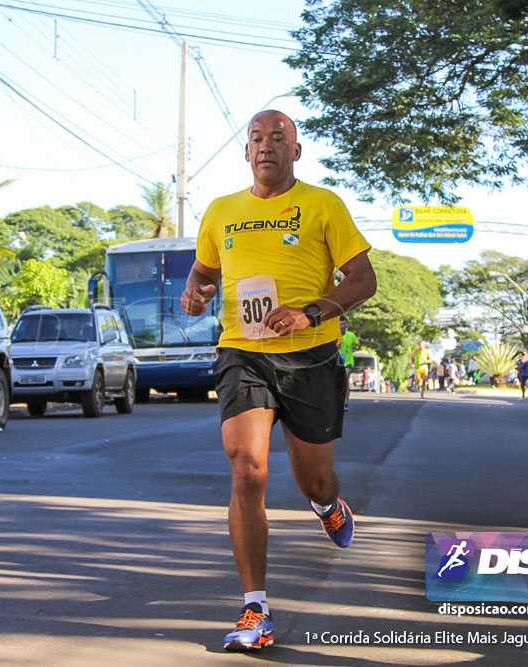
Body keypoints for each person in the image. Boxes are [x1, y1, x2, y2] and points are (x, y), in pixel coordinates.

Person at [180, 109, 377, 653]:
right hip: (242, 353)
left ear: (296, 150)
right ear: (246, 153)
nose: (266, 146)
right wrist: (196, 290)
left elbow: (363, 278)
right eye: (256, 139)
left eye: (278, 138)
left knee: (314, 479)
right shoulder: (220, 212)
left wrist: (312, 312)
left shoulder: (322, 205)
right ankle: (255, 607)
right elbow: (205, 270)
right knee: (248, 468)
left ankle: (327, 505)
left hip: (311, 357)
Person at [338, 315, 359, 411]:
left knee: (345, 379)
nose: (343, 325)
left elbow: (355, 345)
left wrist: (353, 347)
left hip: (348, 361)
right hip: (336, 362)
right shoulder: (335, 334)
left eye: (344, 323)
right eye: (341, 324)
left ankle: (345, 402)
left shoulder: (351, 335)